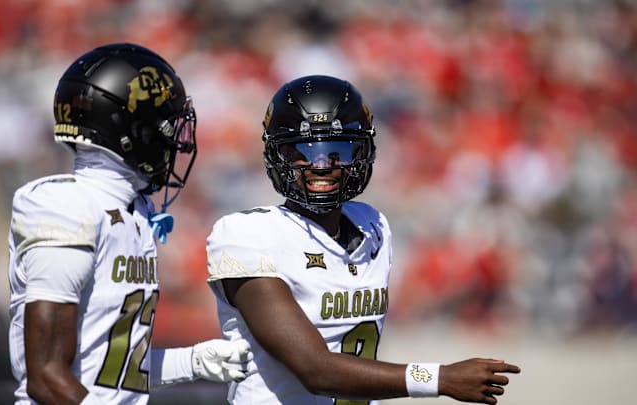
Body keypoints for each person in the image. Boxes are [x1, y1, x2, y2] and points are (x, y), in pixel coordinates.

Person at [206, 75, 521, 405]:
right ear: (278, 156)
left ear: (362, 152)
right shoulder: (248, 236)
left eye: (337, 149)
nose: (321, 164)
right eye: (302, 151)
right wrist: (438, 378)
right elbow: (315, 370)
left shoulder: (372, 226)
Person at [7, 43, 254, 405]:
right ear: (133, 130)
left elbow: (111, 368)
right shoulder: (67, 205)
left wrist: (192, 360)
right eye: (167, 127)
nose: (175, 142)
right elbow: (46, 378)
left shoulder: (134, 214)